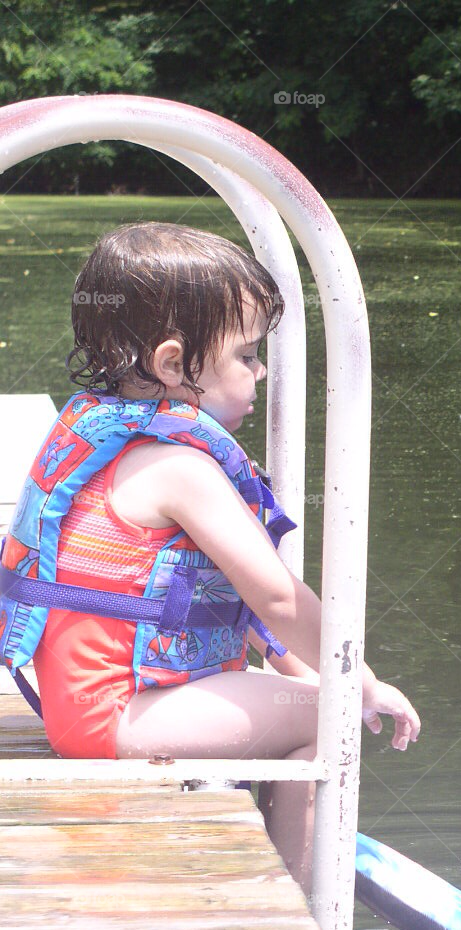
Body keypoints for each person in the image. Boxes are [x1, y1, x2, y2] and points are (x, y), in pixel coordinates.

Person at [0, 221, 420, 882]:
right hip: (119, 718)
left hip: (86, 705)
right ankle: (289, 898)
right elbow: (276, 598)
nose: (259, 375)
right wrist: (361, 684)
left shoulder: (110, 435)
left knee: (308, 688)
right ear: (173, 364)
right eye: (247, 356)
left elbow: (211, 605)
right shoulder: (180, 469)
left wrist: (303, 671)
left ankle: (271, 846)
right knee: (329, 715)